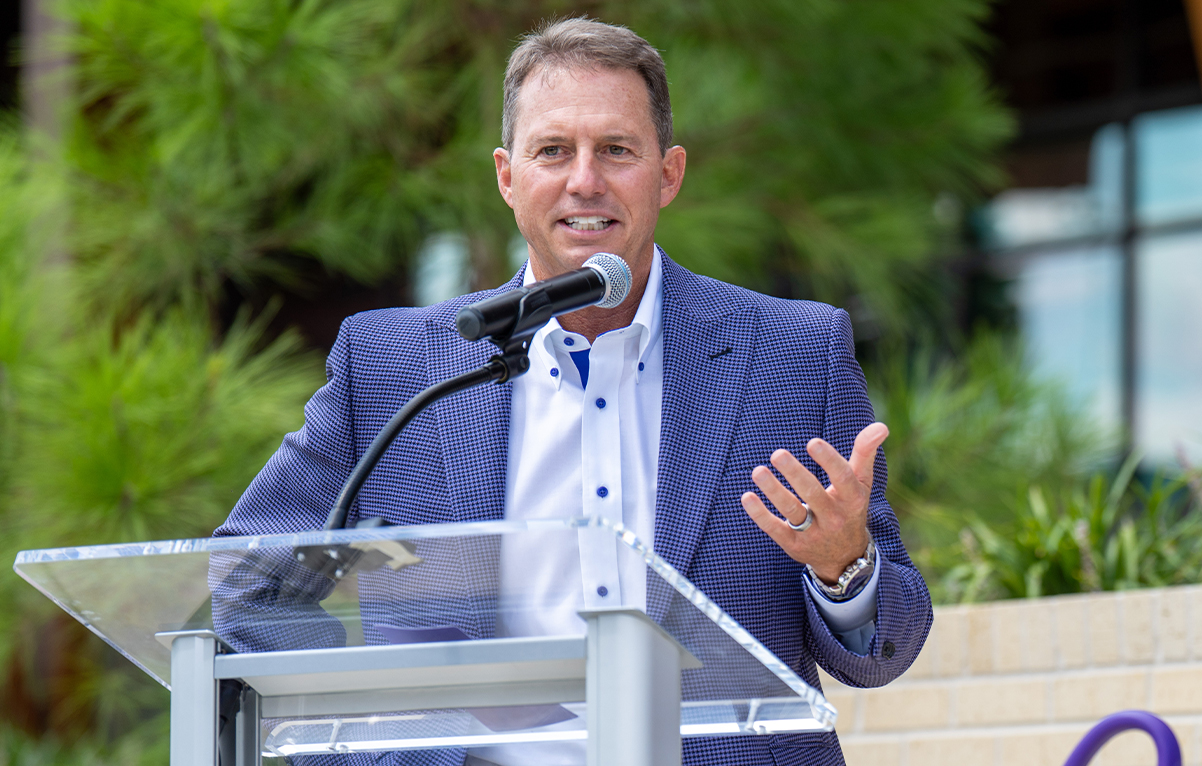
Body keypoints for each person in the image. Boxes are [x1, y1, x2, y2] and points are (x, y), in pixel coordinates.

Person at [215, 16, 930, 766]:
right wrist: (368, 741)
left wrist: (843, 568)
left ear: (668, 173)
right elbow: (248, 584)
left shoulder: (792, 355)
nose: (584, 180)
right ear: (506, 175)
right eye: (553, 150)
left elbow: (882, 653)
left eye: (616, 150)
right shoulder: (394, 367)